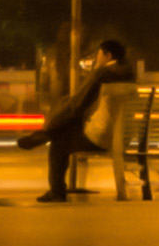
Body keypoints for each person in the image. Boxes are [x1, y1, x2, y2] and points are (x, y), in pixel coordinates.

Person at [36, 39, 129, 202]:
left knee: (58, 143)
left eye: (99, 54)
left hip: (101, 137)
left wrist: (54, 124)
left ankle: (57, 191)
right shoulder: (130, 76)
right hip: (125, 137)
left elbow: (78, 103)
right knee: (67, 133)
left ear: (108, 55)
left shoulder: (101, 74)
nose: (96, 58)